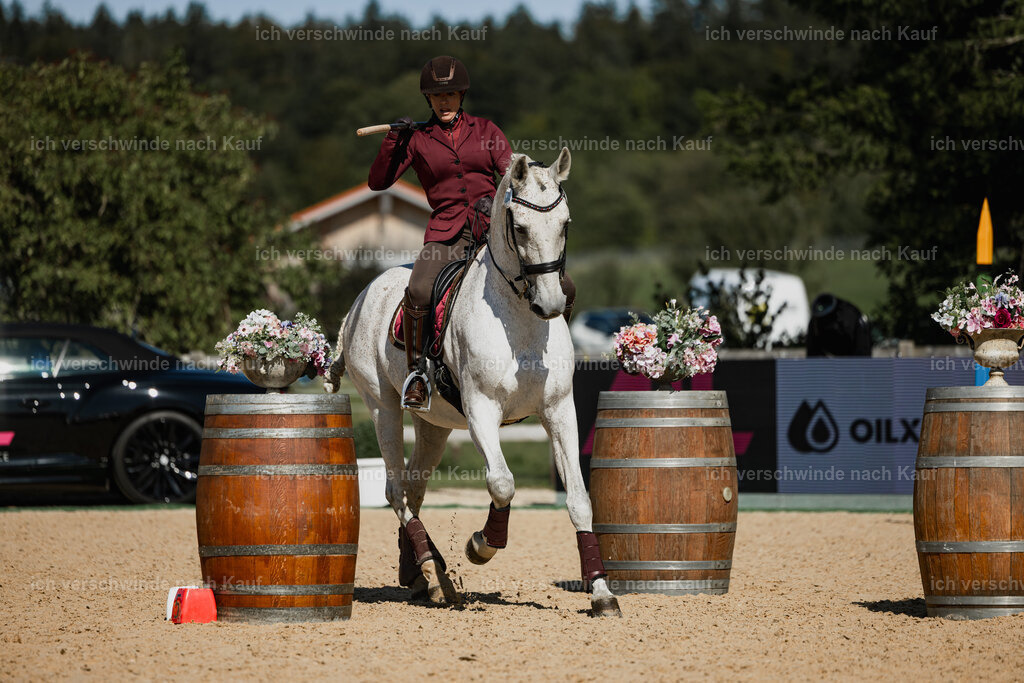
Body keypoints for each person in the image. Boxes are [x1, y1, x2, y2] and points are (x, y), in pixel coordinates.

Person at [368, 55, 576, 411]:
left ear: (461, 96)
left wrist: (501, 199)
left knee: (565, 286)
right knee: (418, 290)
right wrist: (393, 141)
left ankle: (553, 359)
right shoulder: (416, 139)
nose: (444, 102)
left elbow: (512, 173)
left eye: (450, 95)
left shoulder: (486, 131)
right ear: (427, 101)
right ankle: (417, 374)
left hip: (491, 231)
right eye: (437, 97)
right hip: (445, 233)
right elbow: (378, 182)